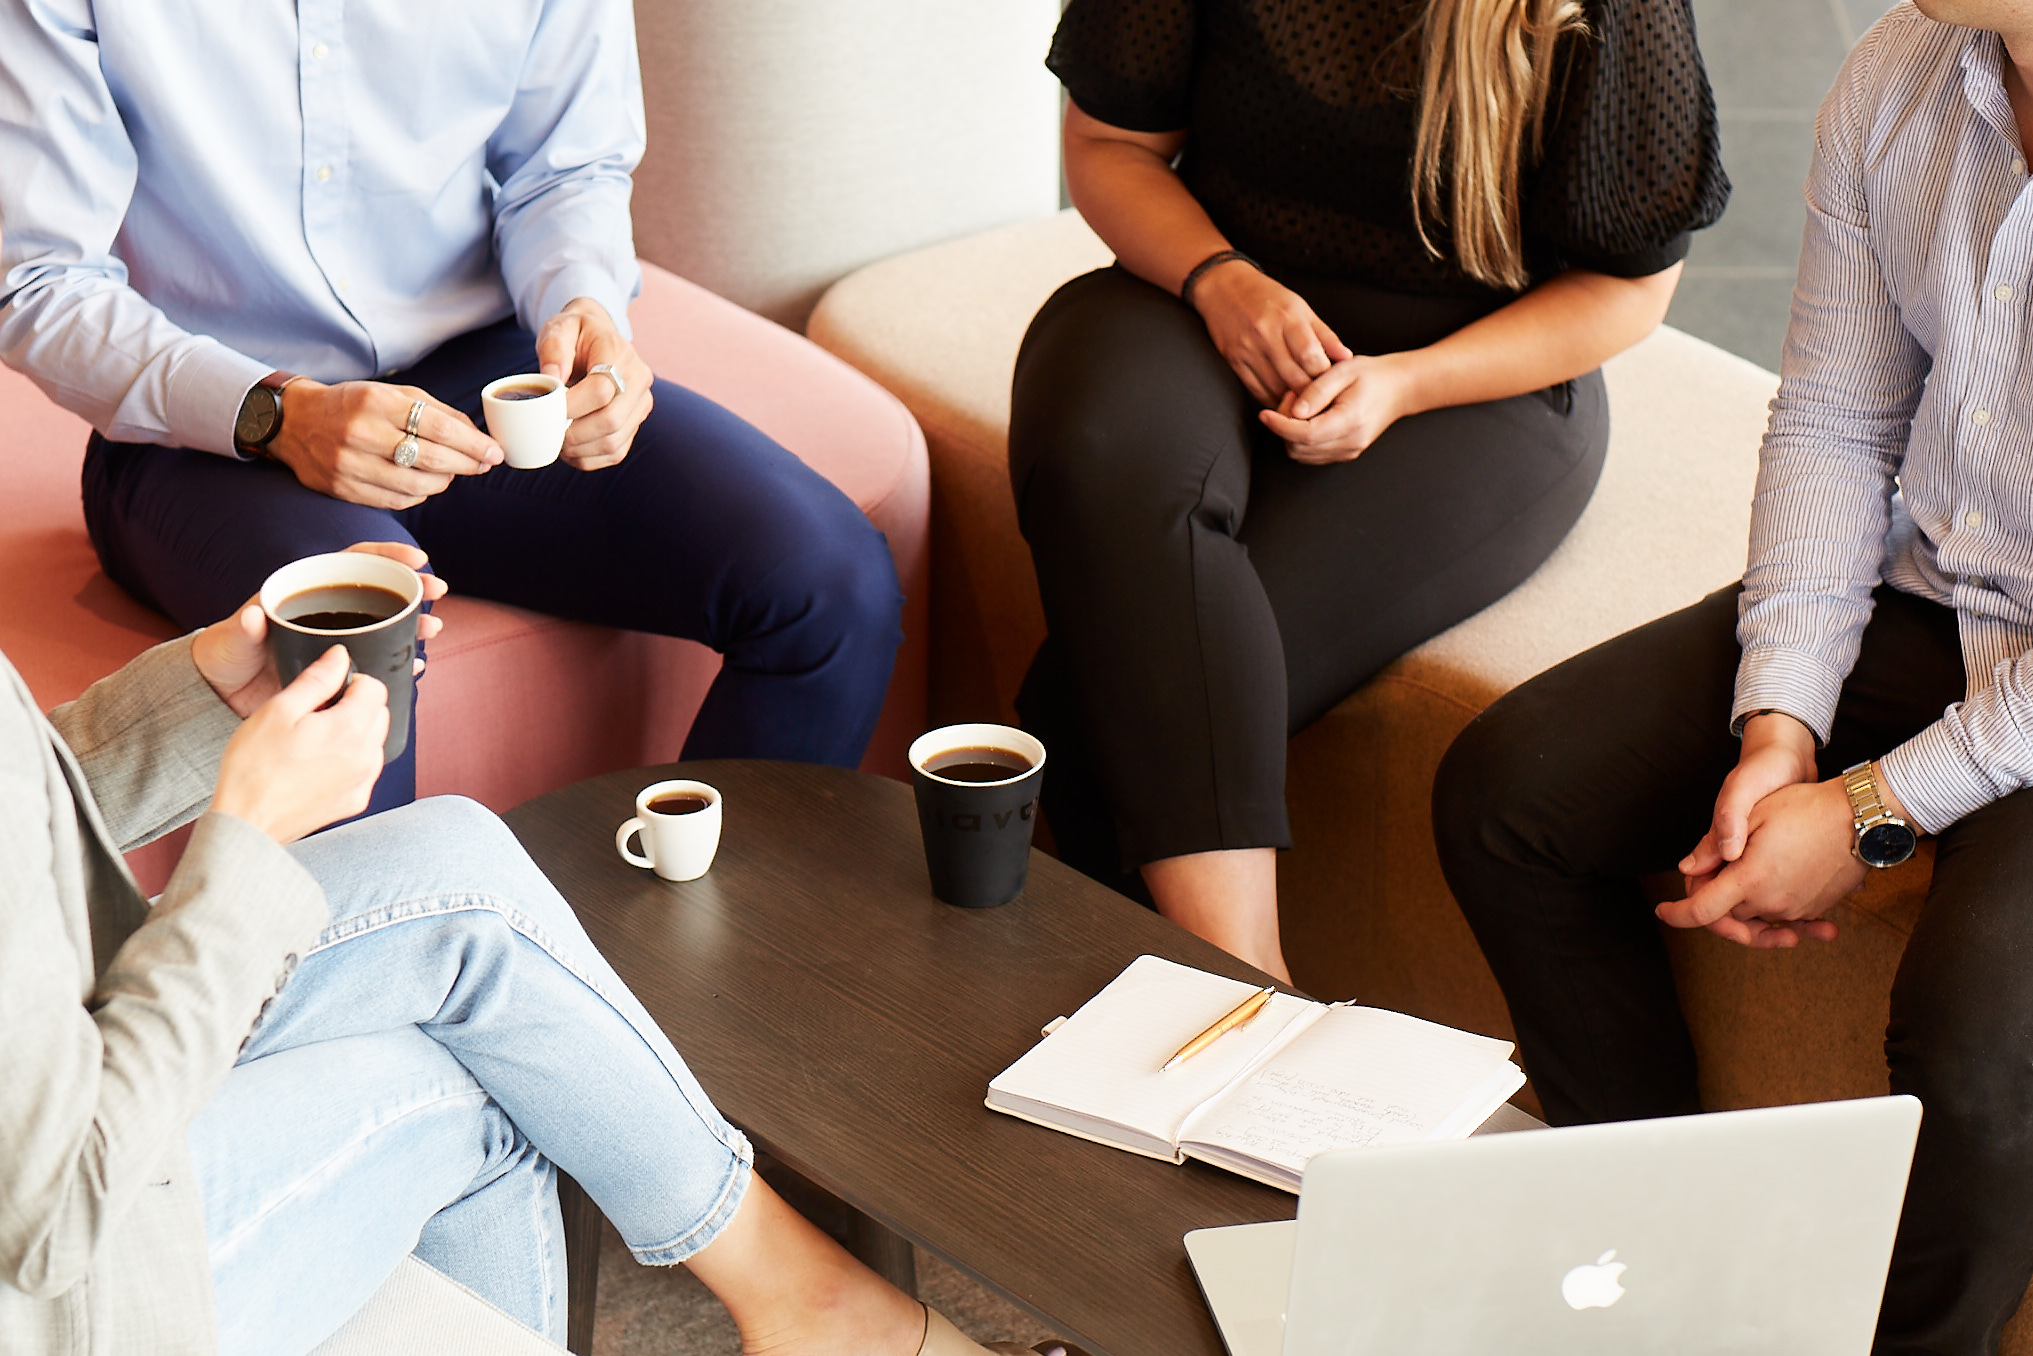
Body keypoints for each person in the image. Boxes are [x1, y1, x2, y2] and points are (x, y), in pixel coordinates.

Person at [0, 542, 1026, 1356]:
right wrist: (248, 844)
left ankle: (814, 1304)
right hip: (55, 1270)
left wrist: (204, 700)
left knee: (452, 860)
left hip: (44, 1040)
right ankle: (828, 1314)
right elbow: (57, 1201)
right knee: (482, 1089)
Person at [1431, 4, 2033, 1350]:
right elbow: (1836, 413)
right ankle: (1659, 1278)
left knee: (1983, 1056)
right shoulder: (1901, 75)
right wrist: (1780, 725)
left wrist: (1873, 808)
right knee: (1509, 800)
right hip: (1935, 585)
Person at [0, 0, 904, 819]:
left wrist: (582, 309)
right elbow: (37, 280)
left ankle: (697, 971)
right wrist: (277, 415)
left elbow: (566, 168)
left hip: (484, 374)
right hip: (211, 425)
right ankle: (391, 998)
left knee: (831, 583)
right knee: (355, 664)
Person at [1007, 0, 1728, 980]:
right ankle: (1247, 998)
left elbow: (1629, 285)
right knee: (1100, 445)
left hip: (1474, 374)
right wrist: (1221, 282)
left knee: (1089, 703)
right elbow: (1107, 144)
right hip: (1201, 291)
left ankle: (1225, 1004)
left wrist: (1403, 384)